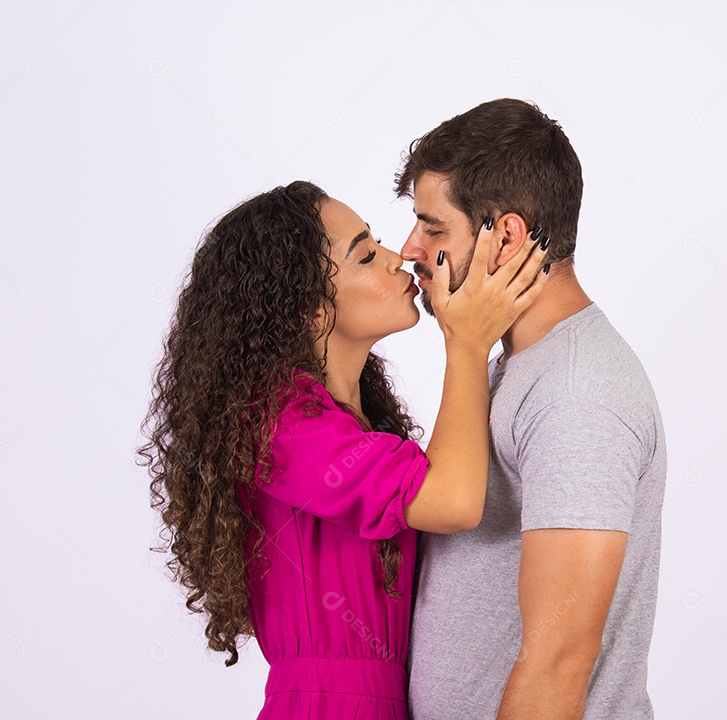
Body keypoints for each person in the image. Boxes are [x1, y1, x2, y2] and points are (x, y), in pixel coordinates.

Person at [137, 179, 549, 718]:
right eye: (365, 255)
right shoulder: (278, 426)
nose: (398, 257)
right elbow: (453, 501)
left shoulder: (351, 426)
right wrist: (467, 341)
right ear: (308, 309)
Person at [398, 99, 667, 719]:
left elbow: (560, 659)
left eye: (433, 227)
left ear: (508, 237)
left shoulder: (578, 391)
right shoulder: (516, 369)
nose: (411, 249)